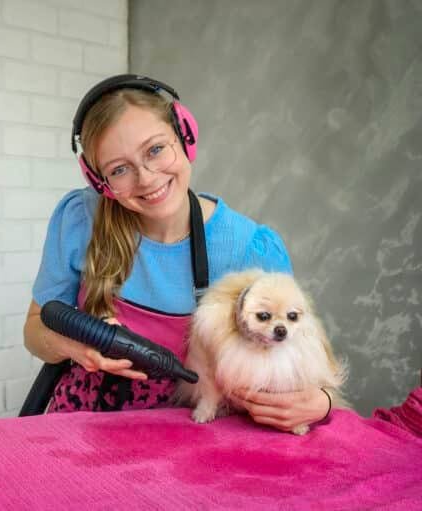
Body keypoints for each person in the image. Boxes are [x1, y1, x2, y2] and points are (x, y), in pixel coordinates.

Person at [23, 74, 331, 432]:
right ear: (99, 182)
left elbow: (303, 355)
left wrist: (320, 404)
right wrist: (75, 346)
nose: (147, 178)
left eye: (155, 149)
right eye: (119, 169)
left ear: (185, 136)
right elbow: (34, 331)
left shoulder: (252, 247)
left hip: (198, 430)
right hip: (84, 425)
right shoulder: (80, 219)